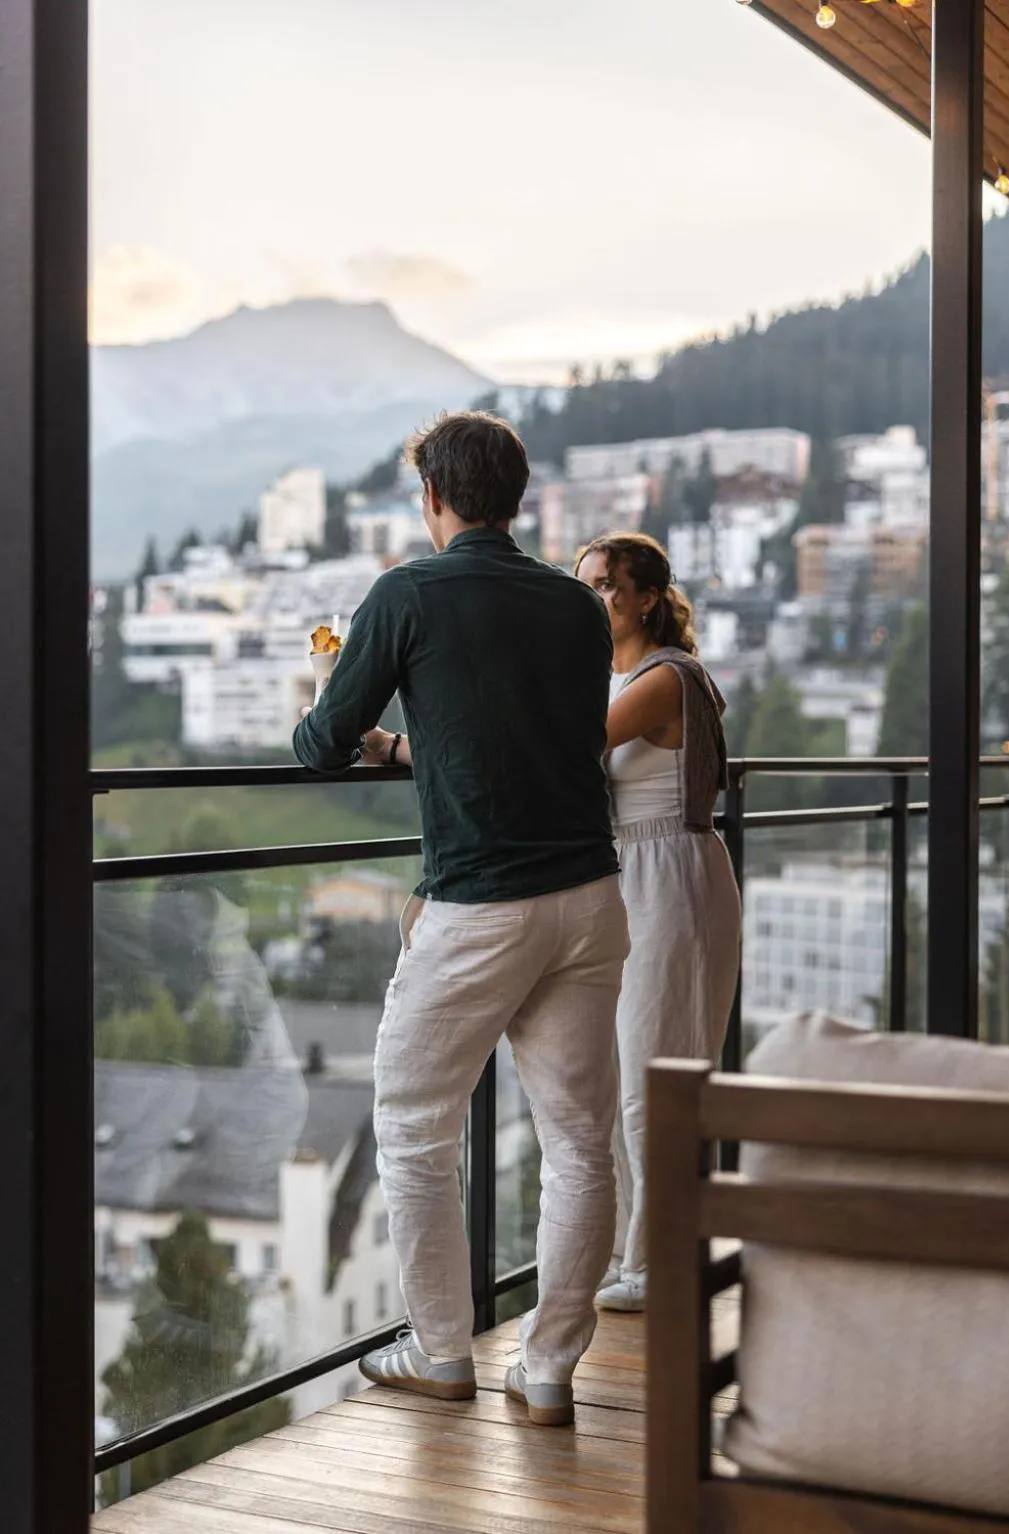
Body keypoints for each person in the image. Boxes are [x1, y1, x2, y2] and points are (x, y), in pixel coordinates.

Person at [294, 412, 629, 1426]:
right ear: (516, 497)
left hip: (481, 900)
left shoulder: (407, 591)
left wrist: (331, 690)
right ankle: (549, 1369)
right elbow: (522, 735)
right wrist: (415, 748)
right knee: (580, 1142)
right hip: (589, 893)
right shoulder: (576, 605)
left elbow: (319, 746)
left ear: (432, 496)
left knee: (410, 1124)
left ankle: (442, 1350)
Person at [575, 532, 741, 1313]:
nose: (595, 598)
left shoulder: (667, 678)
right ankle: (632, 1250)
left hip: (670, 873)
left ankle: (662, 1258)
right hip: (628, 875)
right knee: (616, 1078)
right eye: (583, 586)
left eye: (607, 585)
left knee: (657, 1073)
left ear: (645, 597)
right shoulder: (610, 679)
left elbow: (558, 745)